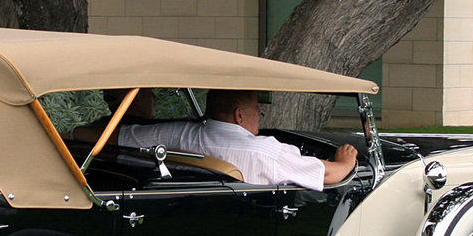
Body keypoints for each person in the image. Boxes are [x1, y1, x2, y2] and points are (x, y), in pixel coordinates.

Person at [116, 89, 357, 190]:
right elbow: (328, 175)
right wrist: (345, 161)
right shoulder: (267, 151)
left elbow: (118, 136)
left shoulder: (175, 133)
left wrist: (76, 133)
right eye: (256, 108)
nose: (260, 114)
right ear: (239, 114)